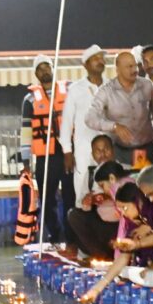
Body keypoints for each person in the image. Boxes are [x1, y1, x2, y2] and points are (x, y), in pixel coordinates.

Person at [81, 178, 153, 303]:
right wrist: (97, 288)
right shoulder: (132, 224)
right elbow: (124, 256)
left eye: (125, 208)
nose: (123, 213)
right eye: (120, 209)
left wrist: (146, 234)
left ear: (138, 201)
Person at [20, 54, 67, 245]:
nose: (44, 71)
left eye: (47, 66)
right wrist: (25, 162)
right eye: (40, 69)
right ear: (36, 74)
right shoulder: (30, 99)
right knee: (47, 199)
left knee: (72, 196)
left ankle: (73, 238)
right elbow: (26, 132)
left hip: (68, 153)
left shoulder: (69, 90)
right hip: (46, 157)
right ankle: (56, 236)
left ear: (53, 68)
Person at [85, 51, 153, 168]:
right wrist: (114, 126)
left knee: (148, 179)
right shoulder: (106, 91)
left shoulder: (147, 85)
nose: (134, 69)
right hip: (121, 152)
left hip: (147, 149)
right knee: (123, 179)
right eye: (129, 66)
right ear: (118, 69)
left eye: (135, 65)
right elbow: (89, 118)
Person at [60, 44, 107, 203]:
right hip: (84, 149)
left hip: (109, 149)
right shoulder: (75, 89)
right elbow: (66, 122)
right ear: (85, 64)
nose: (100, 61)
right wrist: (67, 151)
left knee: (108, 191)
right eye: (95, 58)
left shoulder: (112, 86)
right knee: (82, 192)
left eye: (102, 58)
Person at [65, 135, 120, 257]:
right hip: (99, 224)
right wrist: (87, 201)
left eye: (106, 149)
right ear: (93, 155)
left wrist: (109, 196)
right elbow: (81, 205)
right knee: (73, 215)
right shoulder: (90, 174)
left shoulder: (124, 170)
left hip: (120, 224)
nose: (103, 154)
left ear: (113, 150)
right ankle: (101, 256)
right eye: (98, 151)